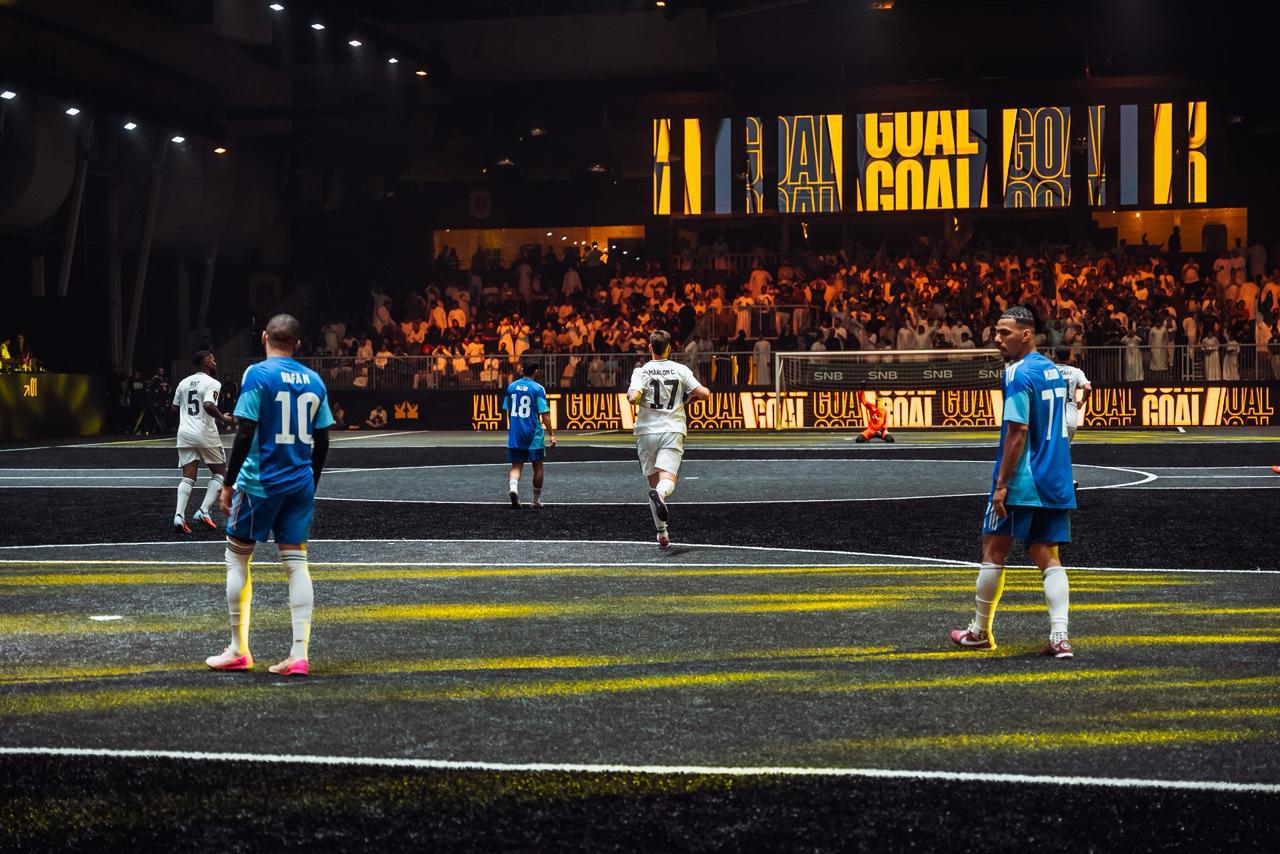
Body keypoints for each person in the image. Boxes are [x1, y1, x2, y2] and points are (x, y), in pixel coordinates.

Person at [208, 314, 334, 677]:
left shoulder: (257, 374)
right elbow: (323, 439)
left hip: (261, 482)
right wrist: (311, 482)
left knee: (237, 558)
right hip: (299, 483)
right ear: (298, 343)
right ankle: (299, 654)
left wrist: (229, 482)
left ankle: (238, 650)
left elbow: (245, 430)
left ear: (264, 337)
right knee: (296, 564)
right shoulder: (314, 380)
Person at [951, 305, 1076, 659]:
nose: (997, 339)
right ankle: (1060, 637)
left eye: (1004, 333)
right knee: (1048, 555)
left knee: (993, 548)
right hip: (1055, 478)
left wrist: (1002, 484)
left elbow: (1017, 432)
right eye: (996, 331)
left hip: (1024, 479)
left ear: (1026, 334)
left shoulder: (1017, 373)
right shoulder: (1051, 370)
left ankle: (980, 632)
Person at [627, 330, 709, 548]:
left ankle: (662, 533)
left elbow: (633, 397)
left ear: (650, 347)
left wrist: (634, 397)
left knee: (653, 482)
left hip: (646, 432)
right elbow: (704, 393)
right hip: (672, 429)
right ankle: (661, 495)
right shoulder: (680, 369)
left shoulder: (641, 371)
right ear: (670, 348)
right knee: (666, 482)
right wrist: (688, 399)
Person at [170, 350, 237, 533]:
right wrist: (224, 419)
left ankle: (179, 516)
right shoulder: (213, 383)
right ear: (206, 362)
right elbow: (208, 405)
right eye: (212, 359)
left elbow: (174, 408)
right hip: (204, 432)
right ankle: (203, 511)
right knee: (220, 473)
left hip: (184, 432)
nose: (215, 362)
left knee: (188, 476)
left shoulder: (183, 382)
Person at [503, 361, 556, 509]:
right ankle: (535, 500)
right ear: (536, 372)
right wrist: (552, 434)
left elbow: (508, 410)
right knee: (538, 467)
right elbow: (544, 414)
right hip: (533, 433)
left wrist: (513, 428)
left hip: (516, 432)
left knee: (516, 465)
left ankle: (513, 488)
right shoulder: (538, 388)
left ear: (522, 370)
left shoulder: (511, 387)